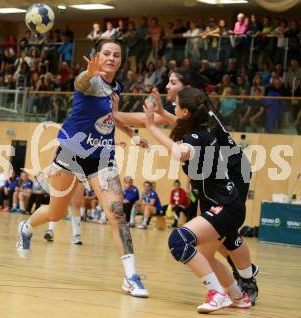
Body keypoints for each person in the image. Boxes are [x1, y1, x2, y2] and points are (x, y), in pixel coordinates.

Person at [111, 68, 259, 305]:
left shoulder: (198, 119)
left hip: (233, 174)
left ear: (187, 89)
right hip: (216, 182)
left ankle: (243, 280)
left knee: (217, 237)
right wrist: (157, 114)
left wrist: (116, 114)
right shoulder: (195, 118)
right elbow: (182, 126)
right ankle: (235, 293)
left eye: (172, 83)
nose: (167, 87)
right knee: (208, 244)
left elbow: (172, 137)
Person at [15, 39, 149, 298]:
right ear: (97, 56)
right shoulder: (89, 81)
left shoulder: (116, 88)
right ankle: (27, 227)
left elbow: (113, 117)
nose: (111, 58)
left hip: (102, 157)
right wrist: (89, 71)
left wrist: (132, 135)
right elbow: (80, 82)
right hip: (71, 153)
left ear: (121, 60)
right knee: (55, 213)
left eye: (116, 55)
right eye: (106, 54)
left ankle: (131, 276)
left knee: (116, 213)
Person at [142, 86, 251, 313]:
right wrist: (162, 112)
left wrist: (151, 126)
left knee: (179, 241)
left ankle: (216, 292)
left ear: (186, 112)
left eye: (177, 104)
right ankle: (238, 297)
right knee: (205, 256)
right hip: (227, 204)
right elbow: (181, 133)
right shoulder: (201, 131)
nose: (174, 106)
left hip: (225, 206)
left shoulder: (196, 136)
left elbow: (180, 152)